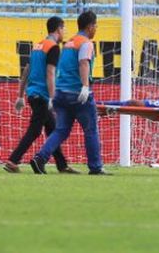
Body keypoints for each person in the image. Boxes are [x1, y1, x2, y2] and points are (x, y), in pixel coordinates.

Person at [30, 11, 108, 175]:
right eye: (96, 26)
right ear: (90, 26)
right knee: (91, 130)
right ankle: (95, 167)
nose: (96, 29)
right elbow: (83, 64)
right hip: (77, 93)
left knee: (61, 130)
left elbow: (60, 68)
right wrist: (85, 86)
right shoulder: (85, 43)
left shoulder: (68, 43)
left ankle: (40, 158)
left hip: (61, 93)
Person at [4, 16, 76, 174]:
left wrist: (20, 95)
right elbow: (50, 73)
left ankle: (62, 165)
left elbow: (26, 70)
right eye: (63, 29)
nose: (64, 32)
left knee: (53, 129)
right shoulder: (53, 48)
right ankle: (13, 160)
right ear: (58, 29)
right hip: (43, 96)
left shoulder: (38, 46)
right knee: (35, 130)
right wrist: (53, 98)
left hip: (32, 94)